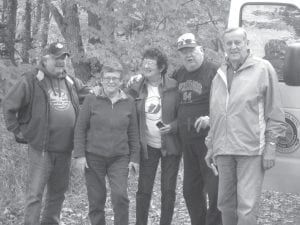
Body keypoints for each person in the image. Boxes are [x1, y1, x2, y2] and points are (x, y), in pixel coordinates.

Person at [2, 42, 92, 225]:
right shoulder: (31, 79)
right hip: (41, 149)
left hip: (65, 149)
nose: (61, 62)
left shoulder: (70, 81)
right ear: (46, 58)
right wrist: (18, 131)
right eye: (57, 58)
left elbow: (90, 95)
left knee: (58, 193)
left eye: (64, 58)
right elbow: (9, 105)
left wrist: (112, 89)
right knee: (35, 194)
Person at [205, 27, 286, 225]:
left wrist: (271, 146)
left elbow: (274, 112)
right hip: (224, 150)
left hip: (251, 150)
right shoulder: (219, 74)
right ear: (224, 47)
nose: (233, 47)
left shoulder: (262, 68)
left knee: (247, 208)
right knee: (225, 204)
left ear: (246, 44)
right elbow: (215, 114)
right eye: (229, 43)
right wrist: (210, 145)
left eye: (237, 42)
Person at [73, 62, 140, 225]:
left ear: (121, 81)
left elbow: (133, 132)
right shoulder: (91, 99)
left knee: (120, 196)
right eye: (108, 78)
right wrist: (80, 155)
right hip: (93, 157)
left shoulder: (128, 101)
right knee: (96, 199)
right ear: (101, 80)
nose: (111, 81)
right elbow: (80, 128)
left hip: (119, 157)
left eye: (115, 78)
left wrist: (135, 158)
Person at [170, 33, 222, 225]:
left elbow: (230, 102)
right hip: (188, 144)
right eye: (183, 52)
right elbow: (159, 87)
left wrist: (211, 117)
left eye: (191, 50)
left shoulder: (215, 72)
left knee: (215, 191)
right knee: (190, 191)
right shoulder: (179, 74)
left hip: (210, 143)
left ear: (201, 50)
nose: (188, 55)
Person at [127, 48, 181, 225]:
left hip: (170, 145)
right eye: (144, 61)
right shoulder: (135, 86)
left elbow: (185, 115)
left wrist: (172, 127)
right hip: (147, 146)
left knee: (168, 190)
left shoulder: (174, 86)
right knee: (143, 189)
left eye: (151, 62)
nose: (146, 64)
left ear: (162, 67)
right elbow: (120, 99)